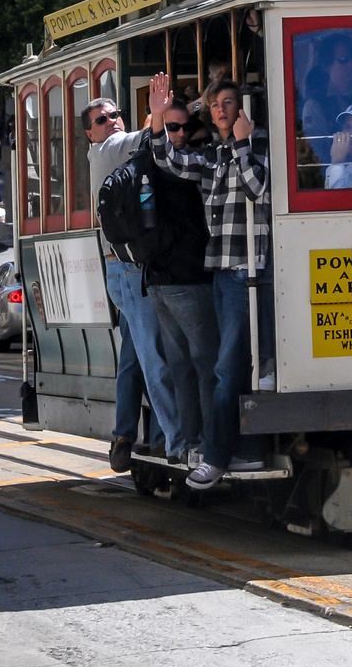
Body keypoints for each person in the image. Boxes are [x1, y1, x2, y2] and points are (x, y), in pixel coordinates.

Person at [147, 72, 273, 491]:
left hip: (248, 272)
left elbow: (260, 190)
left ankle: (217, 456)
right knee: (231, 368)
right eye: (215, 104)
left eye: (228, 102)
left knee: (226, 367)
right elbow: (169, 160)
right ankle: (241, 449)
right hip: (221, 271)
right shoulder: (214, 156)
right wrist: (156, 116)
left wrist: (241, 143)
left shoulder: (258, 146)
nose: (220, 109)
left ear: (242, 109)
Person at [84, 95, 185, 473]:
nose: (111, 121)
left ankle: (125, 436)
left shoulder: (109, 154)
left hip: (126, 269)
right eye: (101, 119)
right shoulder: (108, 148)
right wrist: (160, 114)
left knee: (134, 356)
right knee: (154, 355)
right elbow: (147, 137)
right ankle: (174, 440)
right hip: (129, 271)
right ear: (89, 133)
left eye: (114, 115)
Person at [144, 100, 220, 471]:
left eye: (186, 130)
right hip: (189, 278)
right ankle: (208, 444)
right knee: (207, 366)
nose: (182, 136)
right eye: (174, 129)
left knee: (182, 369)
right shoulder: (180, 166)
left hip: (157, 280)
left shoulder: (144, 160)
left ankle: (188, 444)